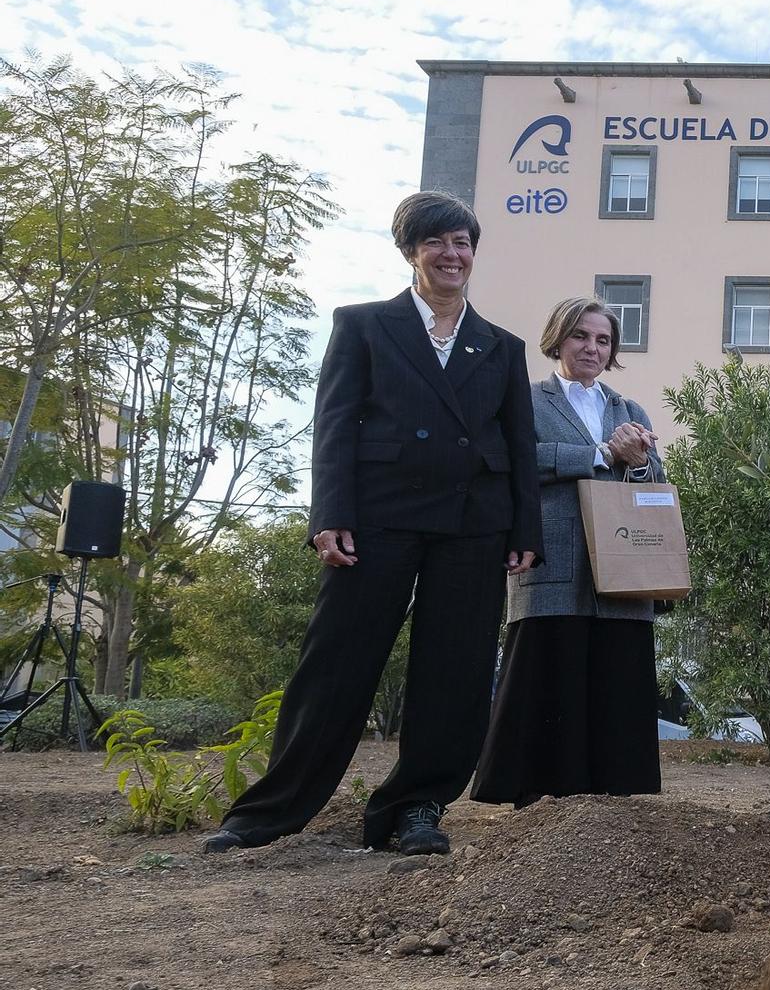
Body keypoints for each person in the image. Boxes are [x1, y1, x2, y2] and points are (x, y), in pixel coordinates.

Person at [202, 191, 541, 856]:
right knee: (336, 663)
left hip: (474, 521)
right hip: (378, 516)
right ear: (410, 251)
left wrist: (524, 529)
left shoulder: (501, 347)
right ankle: (269, 811)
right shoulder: (362, 325)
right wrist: (329, 514)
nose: (452, 255)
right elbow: (332, 423)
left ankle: (415, 808)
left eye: (463, 243)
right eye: (437, 242)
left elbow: (520, 443)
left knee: (456, 671)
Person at [471, 296, 663, 808]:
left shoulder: (630, 410)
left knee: (614, 674)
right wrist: (600, 454)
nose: (592, 348)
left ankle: (614, 795)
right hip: (551, 558)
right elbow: (513, 461)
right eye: (581, 336)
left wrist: (640, 462)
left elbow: (655, 486)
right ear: (558, 338)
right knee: (548, 668)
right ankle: (535, 792)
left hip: (623, 571)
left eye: (603, 340)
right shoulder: (527, 401)